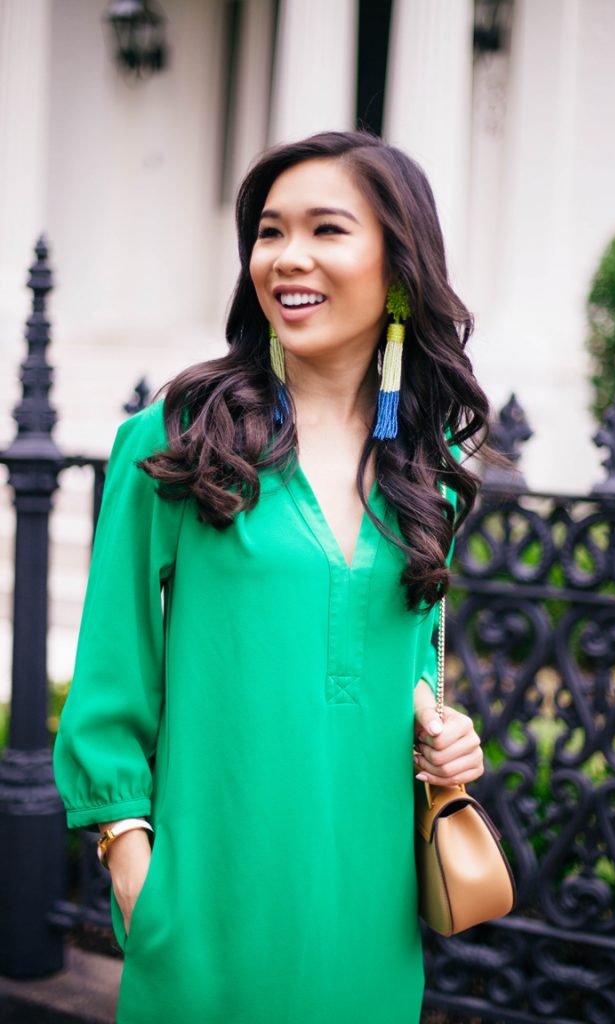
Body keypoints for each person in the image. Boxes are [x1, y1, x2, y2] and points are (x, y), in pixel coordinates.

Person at [53, 130, 491, 1024]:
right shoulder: (180, 439)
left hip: (366, 913)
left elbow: (402, 671)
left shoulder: (427, 466)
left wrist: (449, 741)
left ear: (398, 267)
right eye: (268, 232)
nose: (287, 258)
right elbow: (109, 681)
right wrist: (133, 867)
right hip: (206, 914)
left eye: (326, 230)